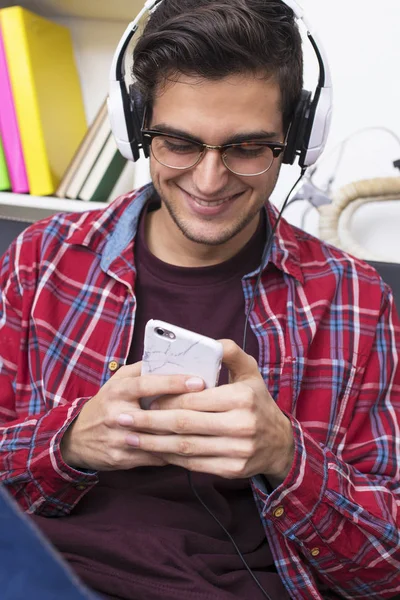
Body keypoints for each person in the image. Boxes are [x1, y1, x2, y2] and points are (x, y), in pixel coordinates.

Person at [0, 1, 399, 599]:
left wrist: (285, 456)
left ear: (296, 140)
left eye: (247, 148)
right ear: (135, 126)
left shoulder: (355, 301)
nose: (209, 182)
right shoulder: (42, 261)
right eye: (179, 143)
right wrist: (71, 442)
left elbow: (388, 565)